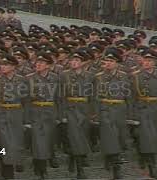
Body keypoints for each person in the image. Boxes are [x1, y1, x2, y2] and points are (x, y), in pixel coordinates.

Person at [94, 48, 132, 179]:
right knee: (110, 136)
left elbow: (129, 97)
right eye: (107, 60)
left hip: (120, 110)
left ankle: (108, 156)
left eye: (111, 61)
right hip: (105, 110)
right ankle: (117, 168)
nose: (109, 63)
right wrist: (95, 114)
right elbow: (94, 97)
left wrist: (131, 115)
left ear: (117, 63)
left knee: (119, 137)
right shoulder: (98, 77)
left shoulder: (124, 76)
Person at [0, 54, 29, 178]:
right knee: (4, 143)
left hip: (17, 114)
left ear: (13, 66)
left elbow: (26, 102)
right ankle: (7, 172)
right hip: (2, 115)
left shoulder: (22, 80)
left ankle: (14, 164)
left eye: (6, 65)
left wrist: (26, 120)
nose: (3, 67)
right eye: (1, 64)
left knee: (16, 143)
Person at [131, 49, 157, 179]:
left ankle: (143, 155)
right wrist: (133, 116)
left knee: (152, 137)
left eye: (149, 61)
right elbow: (132, 98)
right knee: (146, 136)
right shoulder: (136, 76)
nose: (146, 63)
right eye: (145, 60)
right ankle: (152, 166)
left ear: (154, 62)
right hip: (142, 109)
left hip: (156, 110)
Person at [26, 52, 60, 179]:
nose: (38, 65)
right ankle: (42, 169)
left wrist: (59, 115)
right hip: (35, 112)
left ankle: (39, 162)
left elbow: (59, 98)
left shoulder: (55, 78)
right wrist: (26, 118)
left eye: (42, 63)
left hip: (50, 112)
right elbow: (25, 100)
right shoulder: (29, 78)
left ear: (48, 65)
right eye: (37, 63)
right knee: (38, 140)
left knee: (47, 140)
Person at [59, 49, 93, 179]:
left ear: (83, 62)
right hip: (70, 109)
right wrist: (61, 114)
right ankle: (80, 170)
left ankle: (73, 158)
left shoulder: (90, 76)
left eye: (77, 60)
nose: (74, 62)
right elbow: (60, 97)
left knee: (81, 136)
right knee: (75, 136)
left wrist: (93, 112)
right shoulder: (64, 75)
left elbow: (93, 96)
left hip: (84, 110)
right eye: (72, 60)